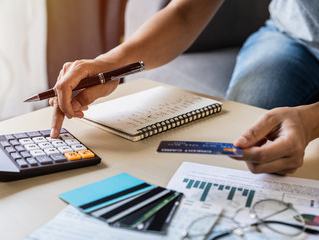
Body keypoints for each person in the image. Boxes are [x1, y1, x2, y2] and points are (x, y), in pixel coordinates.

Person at [49, 0, 319, 175]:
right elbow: (186, 12)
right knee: (250, 143)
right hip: (292, 37)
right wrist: (111, 64)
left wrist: (310, 121)